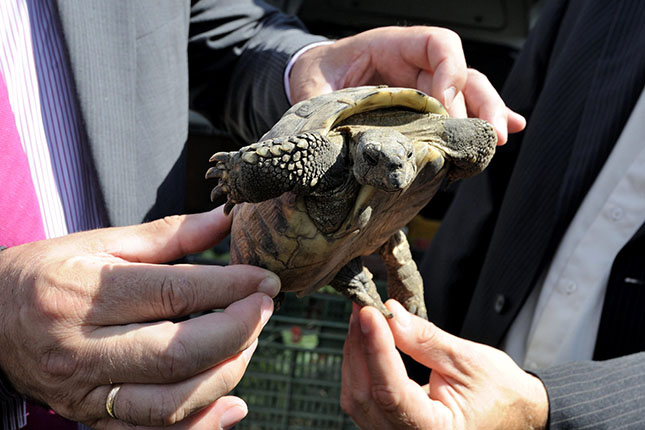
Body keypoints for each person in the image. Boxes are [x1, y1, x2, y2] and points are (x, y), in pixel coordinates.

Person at [0, 0, 523, 428]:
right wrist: (246, 174)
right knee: (333, 175)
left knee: (398, 278)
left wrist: (304, 68)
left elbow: (208, 29)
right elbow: (310, 153)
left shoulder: (422, 135)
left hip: (362, 231)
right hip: (294, 235)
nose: (389, 166)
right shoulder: (331, 151)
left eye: (399, 160)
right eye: (375, 157)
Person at [340, 0, 645, 428]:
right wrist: (416, 363)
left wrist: (552, 406)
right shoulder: (596, 9)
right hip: (458, 388)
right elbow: (488, 184)